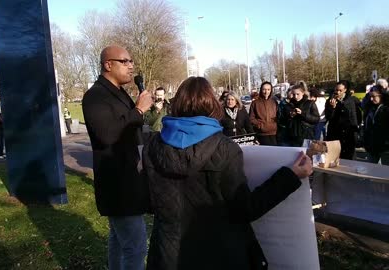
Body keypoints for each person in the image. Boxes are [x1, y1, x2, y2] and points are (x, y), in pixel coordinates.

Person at [142, 77, 313, 270]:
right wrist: (290, 176)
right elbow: (245, 209)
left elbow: (147, 202)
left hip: (168, 253)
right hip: (218, 252)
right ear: (212, 104)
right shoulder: (224, 148)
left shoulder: (152, 146)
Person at [82, 45, 153, 270]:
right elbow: (108, 134)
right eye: (125, 61)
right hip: (118, 184)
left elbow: (131, 130)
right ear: (108, 64)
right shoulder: (95, 96)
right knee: (135, 247)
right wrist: (139, 110)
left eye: (131, 61)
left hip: (130, 178)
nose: (131, 66)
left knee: (119, 242)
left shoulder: (120, 93)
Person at [325, 81, 359, 159]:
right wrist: (332, 108)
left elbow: (353, 117)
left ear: (345, 90)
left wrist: (355, 133)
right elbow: (328, 117)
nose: (338, 92)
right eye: (336, 90)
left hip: (348, 134)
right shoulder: (329, 101)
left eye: (340, 90)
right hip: (335, 133)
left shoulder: (350, 100)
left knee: (348, 158)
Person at [363, 86, 389, 164]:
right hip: (371, 146)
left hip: (385, 146)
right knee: (371, 169)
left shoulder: (386, 108)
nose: (371, 99)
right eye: (370, 96)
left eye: (374, 96)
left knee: (385, 171)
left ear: (381, 95)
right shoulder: (370, 108)